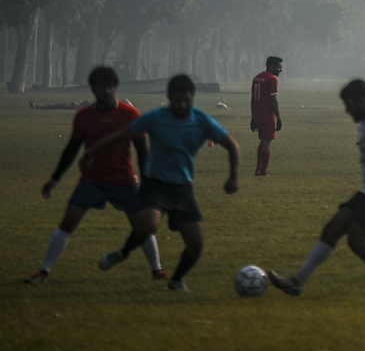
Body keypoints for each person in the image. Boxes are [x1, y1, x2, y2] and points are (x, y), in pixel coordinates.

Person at [82, 74, 240, 292]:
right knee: (148, 224)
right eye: (178, 101)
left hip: (183, 188)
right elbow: (121, 135)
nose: (183, 105)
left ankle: (176, 280)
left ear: (192, 97)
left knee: (196, 244)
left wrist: (233, 177)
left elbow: (232, 146)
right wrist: (90, 153)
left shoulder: (202, 120)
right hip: (155, 185)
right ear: (169, 98)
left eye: (187, 100)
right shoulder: (156, 118)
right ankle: (122, 253)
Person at [25, 66, 167, 284]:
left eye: (110, 86)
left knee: (142, 225)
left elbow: (142, 151)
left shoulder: (130, 115)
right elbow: (72, 149)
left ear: (115, 87)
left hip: (124, 180)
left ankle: (157, 270)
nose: (106, 91)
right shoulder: (83, 116)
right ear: (93, 89)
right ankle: (43, 271)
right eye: (101, 87)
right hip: (92, 180)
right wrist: (55, 178)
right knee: (68, 222)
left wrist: (147, 183)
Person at [268, 79, 365, 299]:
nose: (347, 109)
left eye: (349, 103)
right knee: (332, 229)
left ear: (361, 101)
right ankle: (296, 283)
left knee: (356, 240)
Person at [250, 56, 283, 176]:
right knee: (267, 142)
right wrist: (279, 118)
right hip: (267, 115)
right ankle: (263, 171)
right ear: (271, 66)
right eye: (279, 67)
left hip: (258, 114)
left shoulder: (257, 78)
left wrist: (253, 117)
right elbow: (273, 100)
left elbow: (253, 99)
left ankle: (258, 169)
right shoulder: (271, 79)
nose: (280, 70)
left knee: (263, 141)